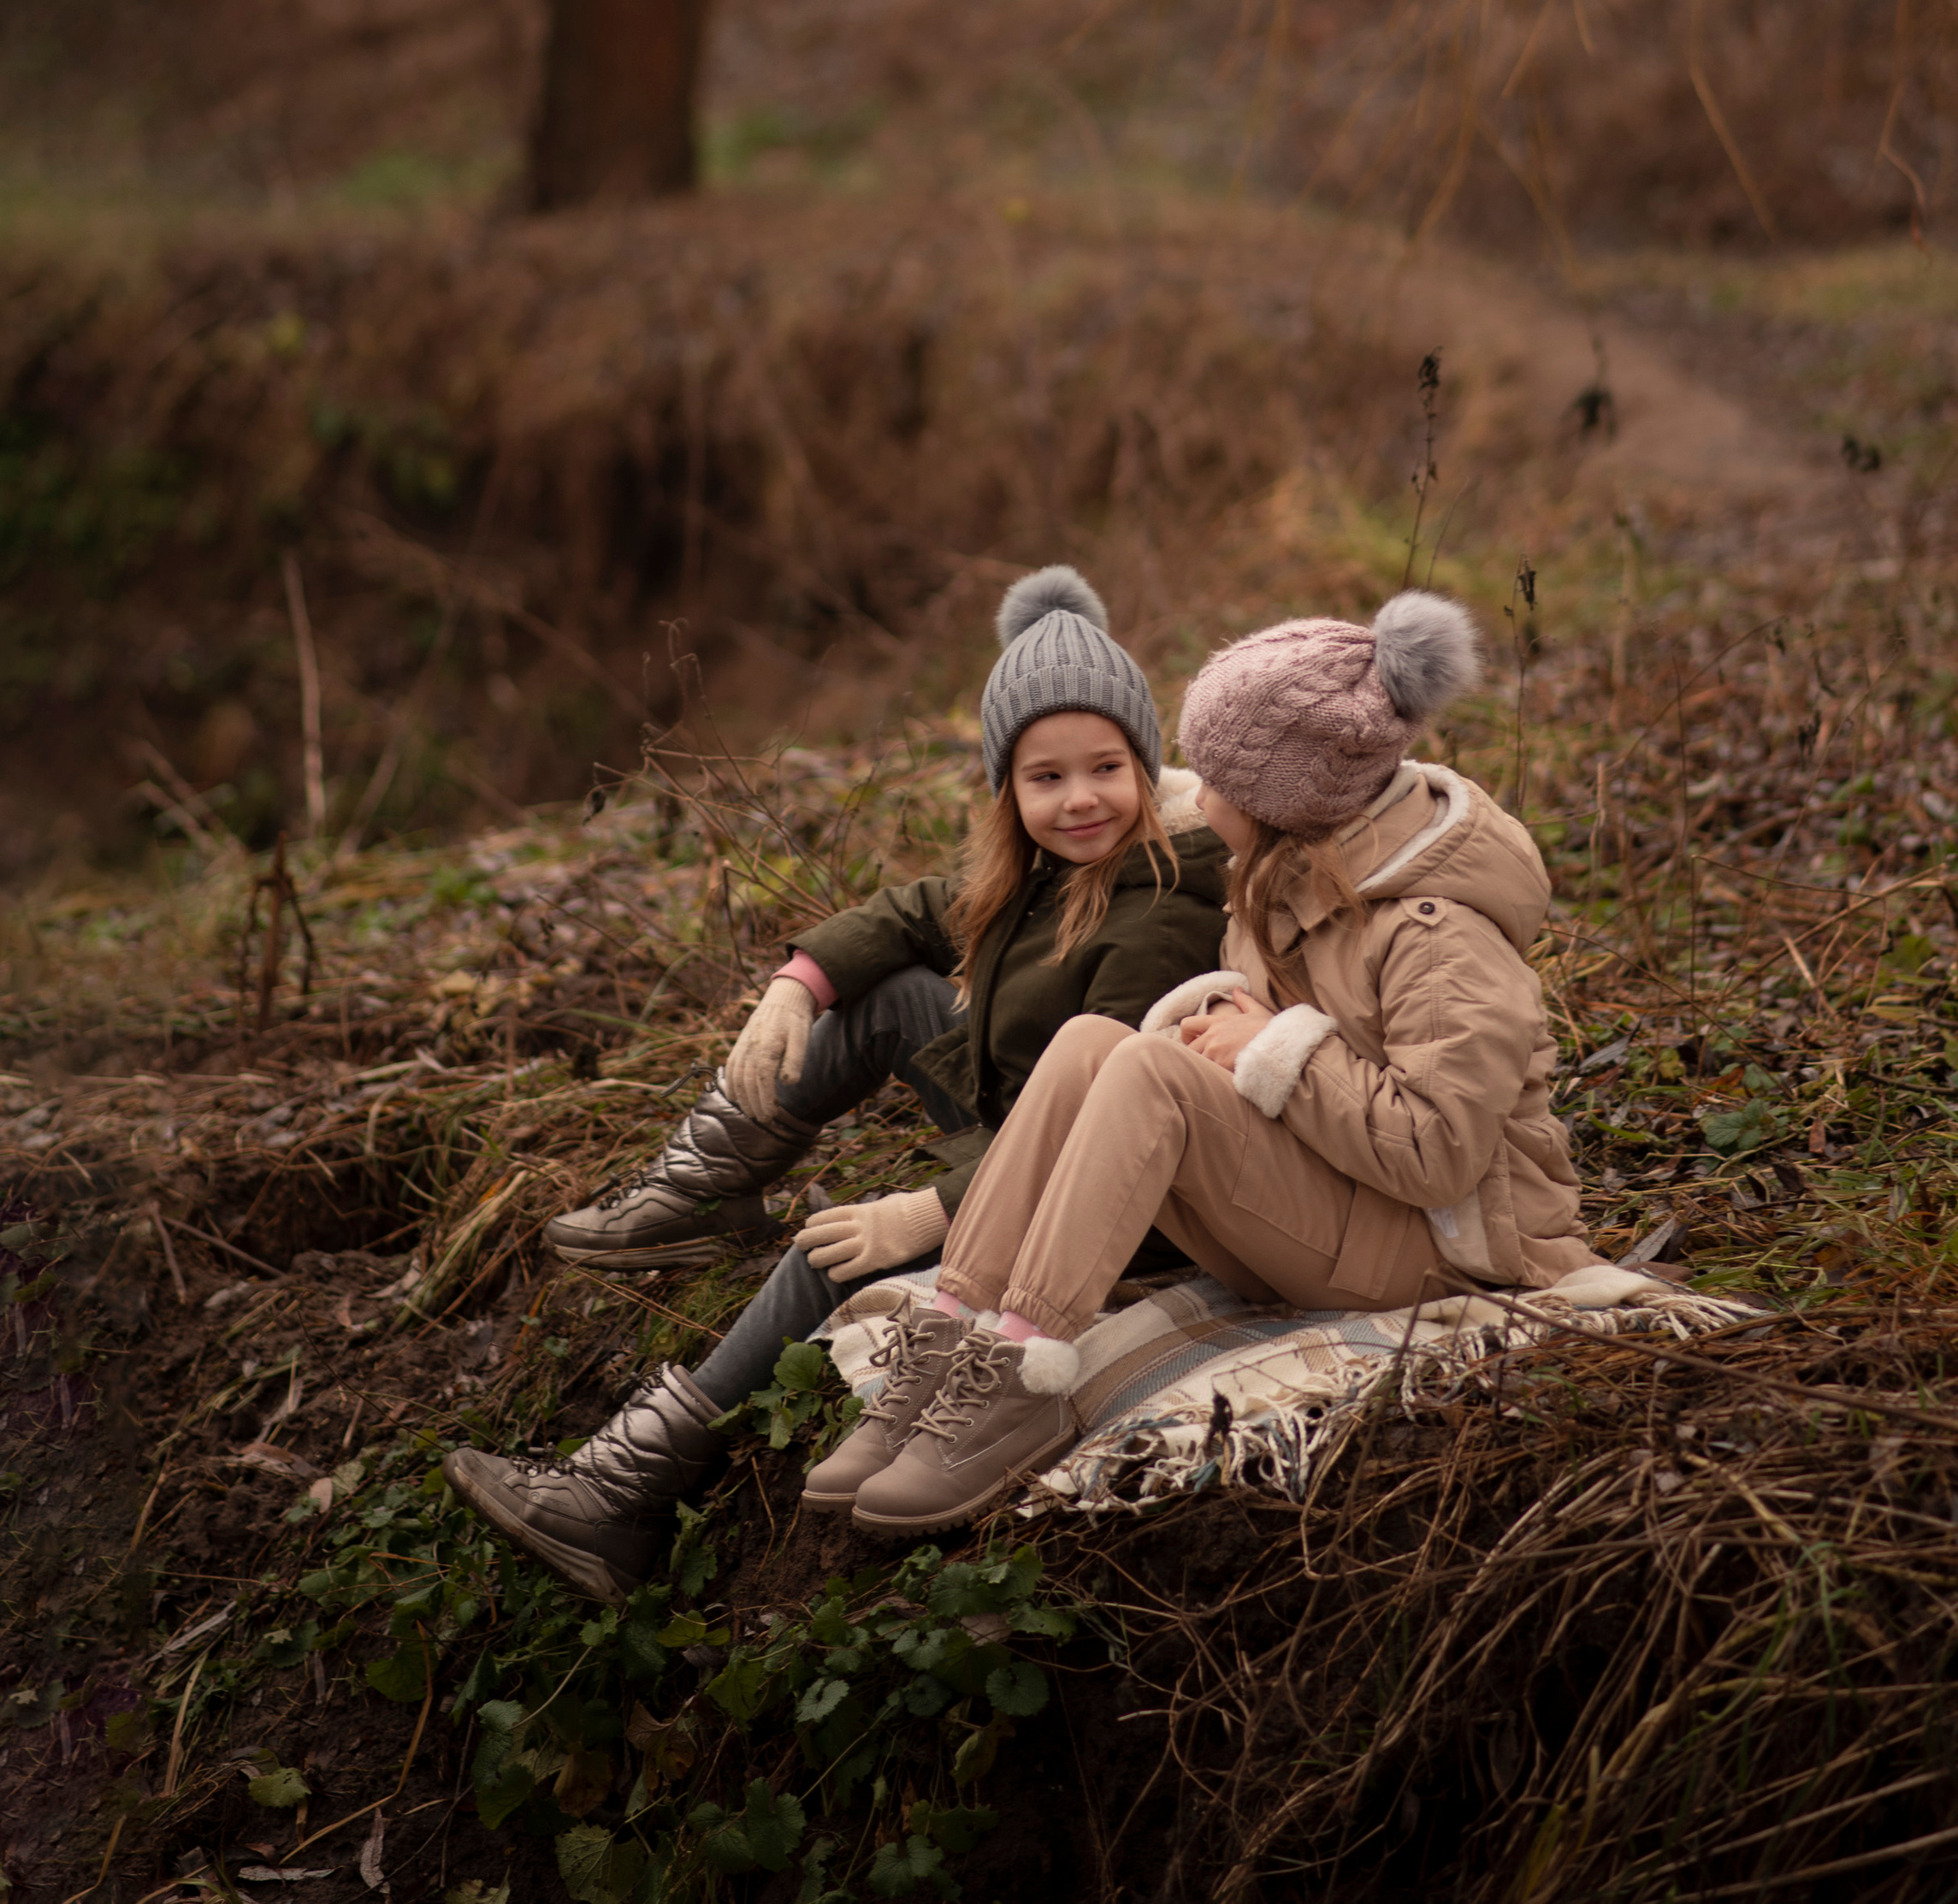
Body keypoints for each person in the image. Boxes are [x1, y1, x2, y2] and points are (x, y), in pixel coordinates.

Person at [441, 566, 1228, 1596]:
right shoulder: (1049, 873)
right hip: (1027, 1132)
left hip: (1118, 1195)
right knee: (895, 994)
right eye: (1045, 778)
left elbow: (1101, 1122)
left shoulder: (1163, 902)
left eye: (1105, 769)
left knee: (834, 1250)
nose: (1079, 799)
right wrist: (795, 985)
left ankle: (623, 1498)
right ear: (1007, 787)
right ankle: (708, 1184)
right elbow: (914, 911)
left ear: (1144, 764)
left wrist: (923, 1211)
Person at [805, 585, 1598, 1533]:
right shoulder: (1284, 877)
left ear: (1278, 802)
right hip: (1341, 1205)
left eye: (1214, 777)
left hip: (1446, 1253)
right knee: (1095, 1042)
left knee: (1147, 1067)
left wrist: (1269, 1045)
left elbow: (1440, 1154)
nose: (1193, 791)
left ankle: (1028, 1373)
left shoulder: (1436, 934)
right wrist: (1238, 1025)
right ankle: (954, 1338)